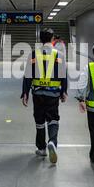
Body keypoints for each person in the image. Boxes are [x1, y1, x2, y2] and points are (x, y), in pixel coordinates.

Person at [21, 28, 68, 164]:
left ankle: (41, 148)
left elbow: (27, 75)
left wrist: (25, 93)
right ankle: (52, 142)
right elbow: (63, 75)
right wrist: (64, 91)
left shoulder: (34, 54)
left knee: (39, 121)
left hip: (38, 93)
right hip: (53, 93)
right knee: (53, 119)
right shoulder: (59, 55)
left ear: (41, 40)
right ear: (52, 38)